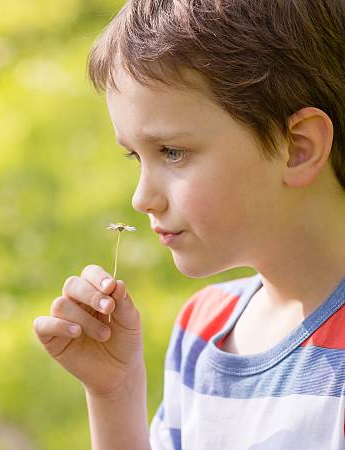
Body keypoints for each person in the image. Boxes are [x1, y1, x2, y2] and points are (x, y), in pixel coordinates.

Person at [32, 0, 345, 448]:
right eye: (136, 157)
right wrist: (114, 393)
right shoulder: (201, 329)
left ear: (296, 147)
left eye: (172, 153)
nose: (141, 198)